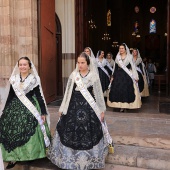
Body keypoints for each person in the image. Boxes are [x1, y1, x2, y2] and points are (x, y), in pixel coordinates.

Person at [47, 52, 112, 170]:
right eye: (78, 62)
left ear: (88, 63)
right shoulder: (74, 75)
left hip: (89, 107)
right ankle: (69, 158)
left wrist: (101, 110)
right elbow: (68, 93)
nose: (80, 65)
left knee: (90, 131)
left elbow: (98, 94)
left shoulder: (93, 76)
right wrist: (63, 108)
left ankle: (90, 160)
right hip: (73, 106)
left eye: (83, 63)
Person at [0, 57, 50, 169]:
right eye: (20, 65)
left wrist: (43, 112)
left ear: (29, 67)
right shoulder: (14, 79)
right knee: (10, 129)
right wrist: (5, 110)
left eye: (25, 65)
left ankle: (29, 155)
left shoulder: (34, 79)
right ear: (18, 66)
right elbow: (11, 95)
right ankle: (12, 156)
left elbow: (39, 96)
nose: (22, 67)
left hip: (30, 106)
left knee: (28, 129)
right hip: (14, 106)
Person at [108, 43, 141, 112]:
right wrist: (112, 77)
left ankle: (126, 106)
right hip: (118, 76)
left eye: (122, 48)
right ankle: (119, 106)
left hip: (127, 76)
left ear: (125, 49)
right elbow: (115, 68)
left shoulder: (129, 56)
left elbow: (133, 67)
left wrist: (135, 76)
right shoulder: (117, 57)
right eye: (120, 48)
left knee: (127, 90)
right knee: (118, 90)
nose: (121, 50)